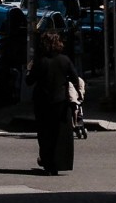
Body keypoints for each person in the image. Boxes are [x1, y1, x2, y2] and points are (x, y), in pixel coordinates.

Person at [25, 30, 81, 176]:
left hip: (42, 101)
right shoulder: (65, 60)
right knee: (59, 134)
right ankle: (58, 163)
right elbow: (75, 78)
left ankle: (47, 162)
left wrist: (29, 70)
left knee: (44, 133)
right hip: (61, 102)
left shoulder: (40, 61)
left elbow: (29, 81)